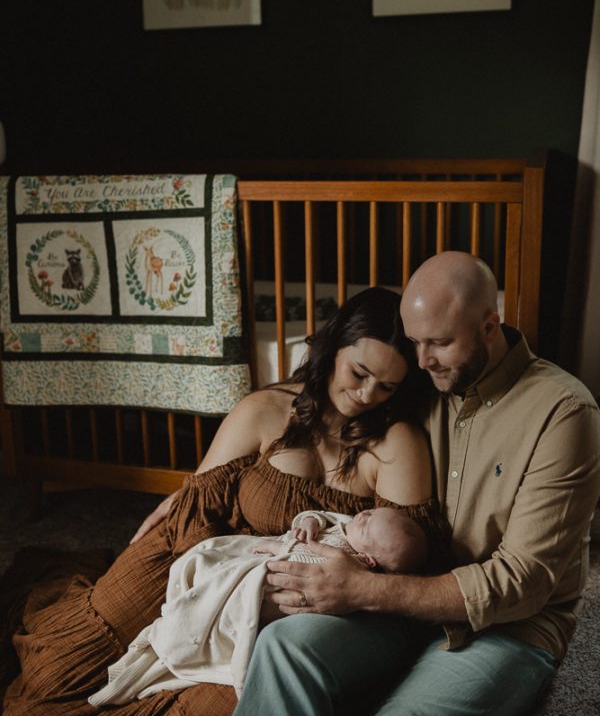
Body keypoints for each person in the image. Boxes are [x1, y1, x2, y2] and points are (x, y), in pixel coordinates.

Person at [3, 286, 448, 716]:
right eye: (359, 374)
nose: (367, 395)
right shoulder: (265, 409)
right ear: (333, 349)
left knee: (203, 705)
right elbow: (197, 506)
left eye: (386, 387)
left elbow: (403, 562)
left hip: (279, 609)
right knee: (56, 673)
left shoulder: (396, 442)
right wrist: (191, 595)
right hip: (203, 564)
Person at [233, 251, 600, 716]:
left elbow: (522, 582)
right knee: (285, 648)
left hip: (509, 627)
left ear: (490, 326)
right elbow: (328, 410)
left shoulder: (563, 413)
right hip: (405, 601)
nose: (422, 360)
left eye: (440, 343)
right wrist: (204, 486)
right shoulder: (423, 380)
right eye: (415, 342)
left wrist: (362, 590)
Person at [88, 508, 428, 707]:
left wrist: (284, 553)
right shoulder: (341, 524)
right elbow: (316, 515)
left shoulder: (349, 561)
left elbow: (306, 573)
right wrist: (307, 523)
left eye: (367, 524)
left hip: (271, 576)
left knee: (260, 596)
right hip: (252, 553)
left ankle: (183, 642)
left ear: (368, 560)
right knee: (205, 558)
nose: (362, 516)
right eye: (369, 513)